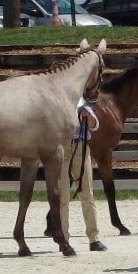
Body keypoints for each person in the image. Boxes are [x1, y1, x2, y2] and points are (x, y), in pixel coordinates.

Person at [54, 99, 106, 251]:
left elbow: (94, 125)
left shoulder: (83, 102)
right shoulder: (59, 100)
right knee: (63, 196)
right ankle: (63, 237)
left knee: (87, 194)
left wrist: (86, 115)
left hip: (80, 146)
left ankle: (93, 238)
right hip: (62, 147)